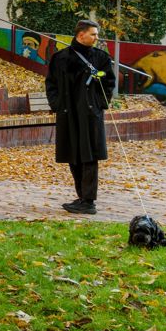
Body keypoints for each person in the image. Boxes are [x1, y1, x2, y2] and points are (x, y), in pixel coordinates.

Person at [45, 19, 115, 215]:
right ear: (81, 34)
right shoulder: (60, 58)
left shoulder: (101, 58)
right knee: (72, 154)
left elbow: (109, 82)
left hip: (89, 114)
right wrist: (57, 104)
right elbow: (51, 83)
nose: (96, 37)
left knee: (89, 155)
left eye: (96, 34)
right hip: (68, 113)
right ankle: (82, 196)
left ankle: (89, 200)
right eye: (93, 34)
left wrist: (99, 103)